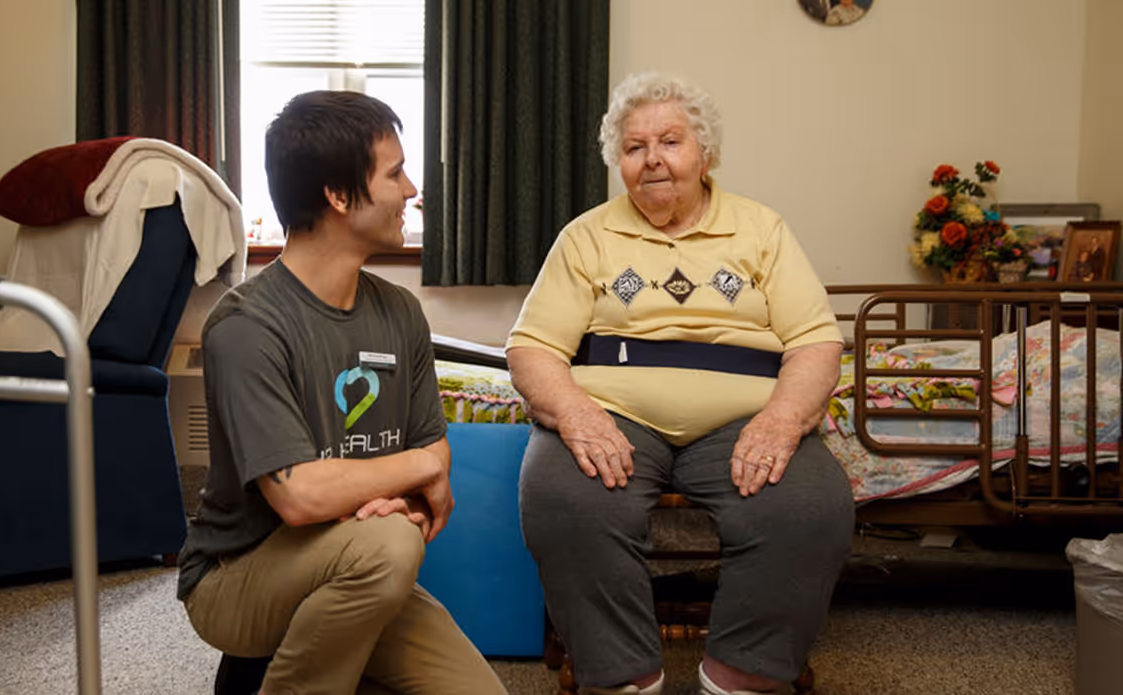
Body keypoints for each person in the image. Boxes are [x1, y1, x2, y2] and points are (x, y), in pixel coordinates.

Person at [507, 73, 854, 695]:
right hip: (613, 413)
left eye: (670, 141)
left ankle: (741, 676)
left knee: (808, 505)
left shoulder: (760, 230)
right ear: (619, 161)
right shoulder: (586, 237)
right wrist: (577, 415)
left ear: (705, 153)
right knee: (565, 499)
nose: (653, 159)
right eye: (634, 147)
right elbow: (532, 347)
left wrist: (781, 418)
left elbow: (815, 340)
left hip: (744, 418)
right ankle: (623, 678)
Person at [177, 90, 507, 695]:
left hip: (359, 553)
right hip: (236, 576)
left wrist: (406, 491)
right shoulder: (247, 325)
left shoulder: (400, 312)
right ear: (337, 194)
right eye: (395, 173)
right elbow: (301, 497)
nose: (412, 190)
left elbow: (432, 451)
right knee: (388, 546)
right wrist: (414, 473)